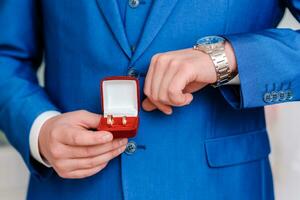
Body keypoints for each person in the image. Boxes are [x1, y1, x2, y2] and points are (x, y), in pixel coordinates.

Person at [0, 0, 299, 199]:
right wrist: (38, 128)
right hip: (73, 187)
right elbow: (6, 54)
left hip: (219, 186)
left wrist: (226, 59)